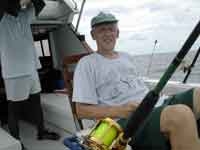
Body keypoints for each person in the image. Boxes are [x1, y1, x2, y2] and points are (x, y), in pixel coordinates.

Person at [72, 12, 200, 150]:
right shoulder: (86, 64)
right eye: (102, 30)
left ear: (117, 33)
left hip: (155, 105)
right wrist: (121, 110)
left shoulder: (127, 57)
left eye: (111, 29)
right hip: (127, 122)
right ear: (93, 35)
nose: (107, 34)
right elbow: (81, 111)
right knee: (180, 114)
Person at [0, 0, 60, 148]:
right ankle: (16, 141)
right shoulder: (1, 17)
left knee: (36, 103)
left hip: (32, 68)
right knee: (14, 109)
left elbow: (40, 4)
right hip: (14, 72)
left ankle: (41, 131)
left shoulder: (24, 15)